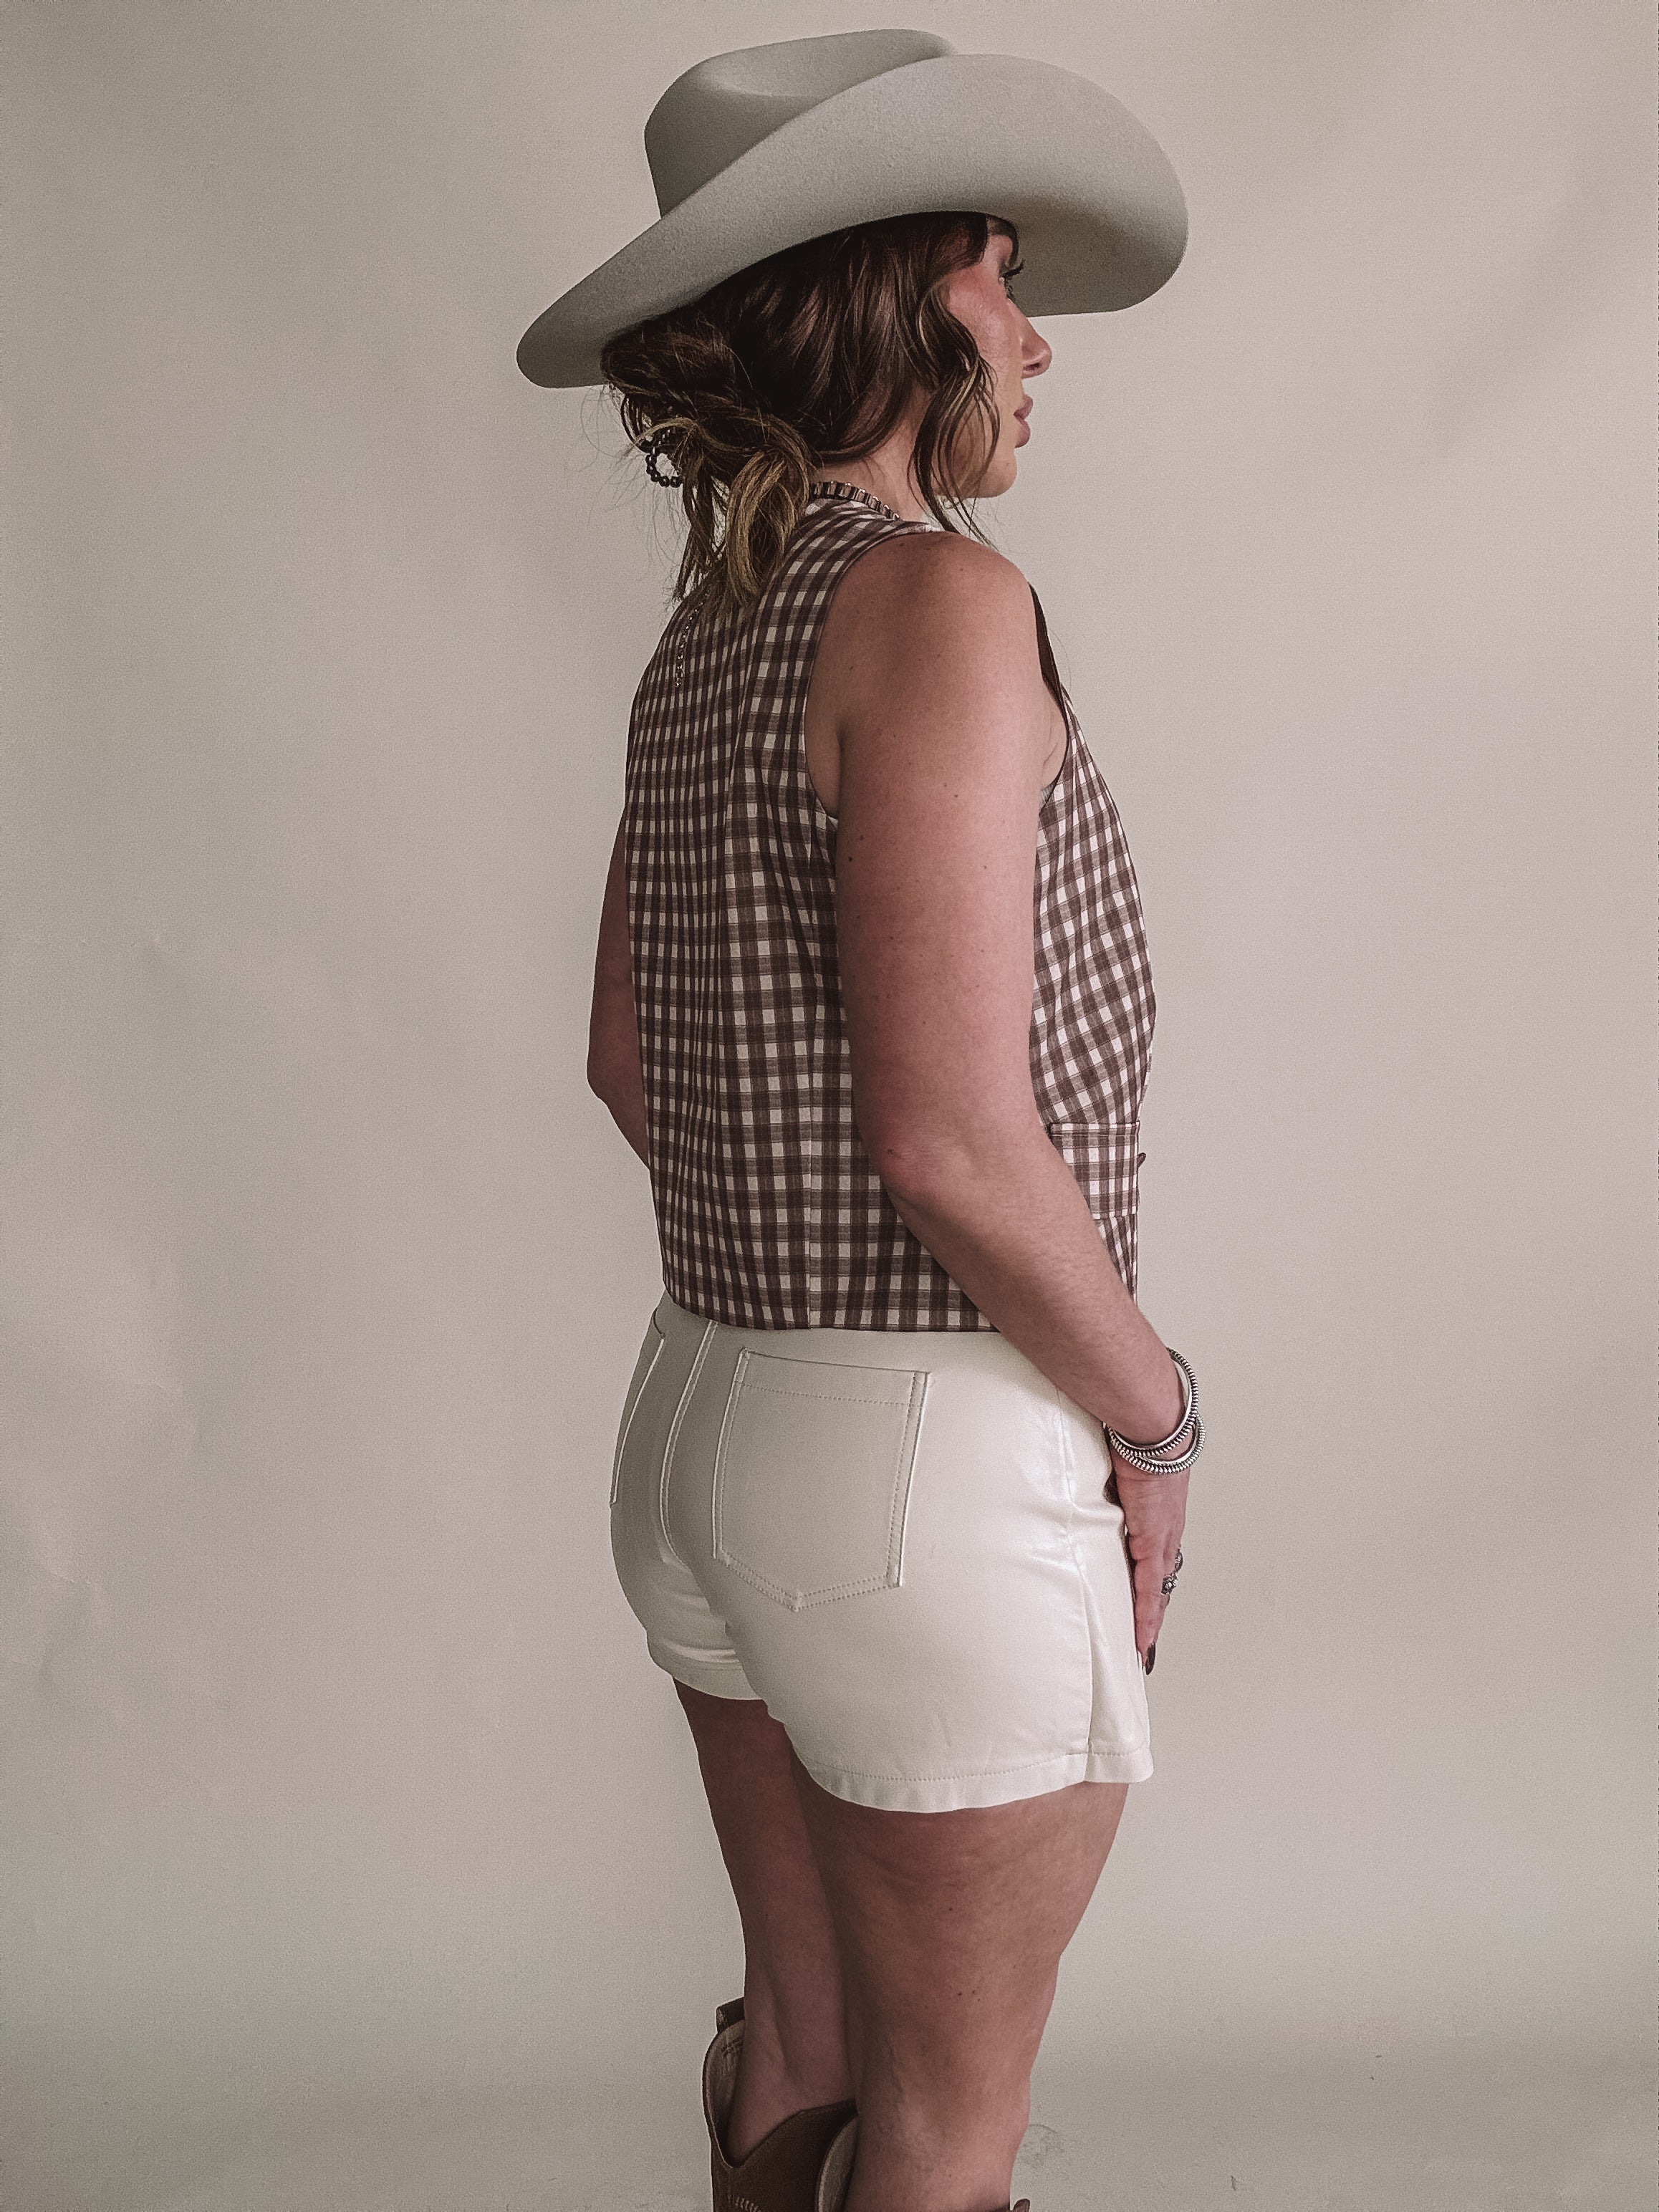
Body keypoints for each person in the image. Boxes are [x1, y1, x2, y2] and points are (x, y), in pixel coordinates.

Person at [519, 29, 1203, 2212]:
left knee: (798, 2051)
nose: (1030, 336)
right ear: (896, 294)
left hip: (708, 1411)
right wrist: (1154, 1417)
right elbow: (949, 1141)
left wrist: (796, 1315)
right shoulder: (934, 605)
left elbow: (633, 1060)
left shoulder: (711, 625)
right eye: (999, 277)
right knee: (943, 2129)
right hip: (923, 1461)